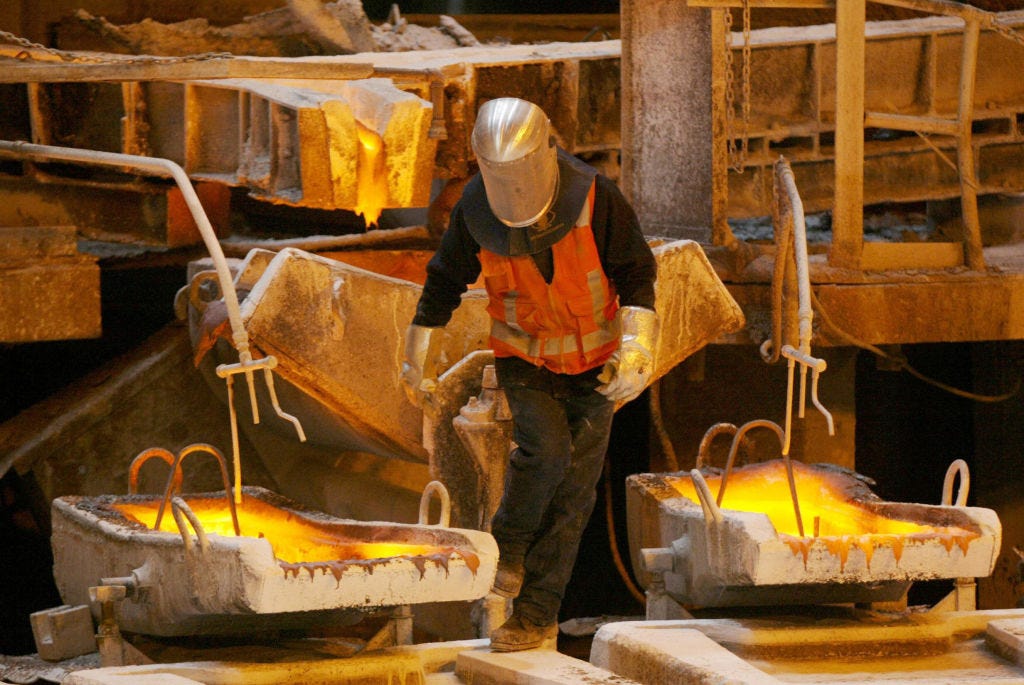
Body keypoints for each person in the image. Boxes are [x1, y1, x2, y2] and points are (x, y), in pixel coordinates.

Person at [400, 97, 657, 652]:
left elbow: (637, 275)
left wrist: (638, 350)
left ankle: (536, 617)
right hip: (525, 358)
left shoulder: (595, 197)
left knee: (574, 498)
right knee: (546, 455)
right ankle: (507, 549)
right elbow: (443, 280)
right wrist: (416, 351)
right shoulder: (476, 208)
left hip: (596, 365)